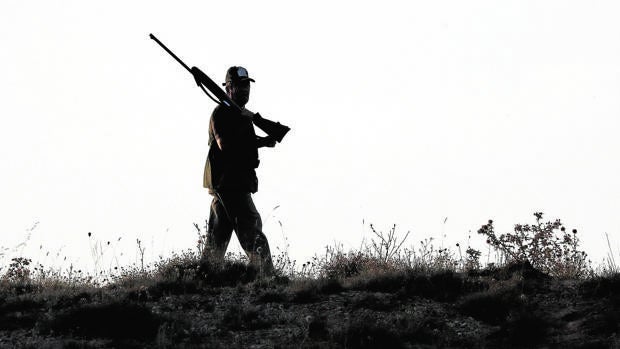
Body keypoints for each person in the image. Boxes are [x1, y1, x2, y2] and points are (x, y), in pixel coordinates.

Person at [201, 66, 276, 275]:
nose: (245, 90)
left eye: (247, 85)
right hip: (230, 183)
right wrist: (255, 142)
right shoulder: (222, 113)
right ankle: (267, 276)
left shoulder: (239, 114)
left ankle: (205, 276)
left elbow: (242, 142)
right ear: (229, 88)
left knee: (217, 236)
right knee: (252, 228)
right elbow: (226, 145)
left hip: (231, 182)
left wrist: (263, 142)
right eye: (239, 86)